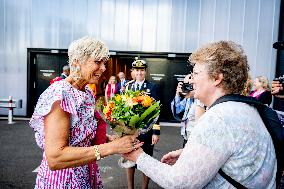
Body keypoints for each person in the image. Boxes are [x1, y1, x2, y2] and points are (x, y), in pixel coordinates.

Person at [123, 41, 276, 188]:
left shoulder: (217, 119)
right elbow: (233, 148)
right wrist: (188, 152)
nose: (192, 79)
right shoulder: (245, 108)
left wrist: (138, 157)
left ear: (217, 78)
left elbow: (178, 182)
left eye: (195, 73)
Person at [29, 36, 143, 189]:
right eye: (98, 61)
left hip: (86, 174)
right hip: (63, 182)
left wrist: (112, 140)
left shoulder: (87, 91)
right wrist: (112, 148)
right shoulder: (60, 95)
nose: (103, 68)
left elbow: (80, 137)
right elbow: (55, 158)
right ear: (77, 61)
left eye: (104, 62)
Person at [125, 58, 160, 189]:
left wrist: (156, 132)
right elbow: (123, 108)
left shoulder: (153, 87)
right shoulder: (128, 86)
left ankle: (144, 187)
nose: (139, 73)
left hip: (146, 130)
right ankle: (130, 187)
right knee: (129, 159)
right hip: (130, 132)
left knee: (146, 160)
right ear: (133, 71)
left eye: (142, 70)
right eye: (137, 70)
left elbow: (157, 111)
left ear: (145, 71)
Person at [171, 74, 205, 147]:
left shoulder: (201, 100)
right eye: (185, 84)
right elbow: (177, 109)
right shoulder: (188, 98)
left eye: (189, 84)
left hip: (195, 139)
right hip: (186, 135)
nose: (187, 87)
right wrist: (177, 93)